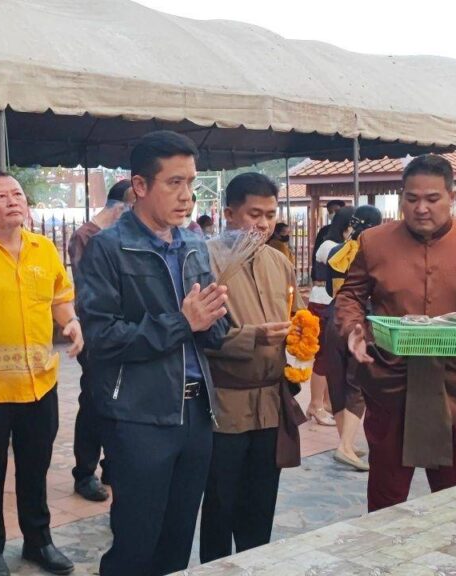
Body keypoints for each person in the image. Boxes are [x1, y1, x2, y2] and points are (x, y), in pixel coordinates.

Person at [77, 130, 229, 576]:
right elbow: (102, 338)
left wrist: (216, 318)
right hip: (139, 416)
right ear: (140, 186)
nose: (187, 196)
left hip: (196, 413)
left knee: (177, 541)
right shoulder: (109, 248)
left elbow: (214, 330)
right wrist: (183, 322)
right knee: (135, 544)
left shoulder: (194, 244)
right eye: (174, 183)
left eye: (191, 183)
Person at [335, 154, 456, 512]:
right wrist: (353, 329)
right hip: (390, 378)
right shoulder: (374, 242)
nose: (421, 208)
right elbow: (350, 296)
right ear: (401, 197)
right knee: (386, 498)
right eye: (411, 198)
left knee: (454, 497)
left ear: (451, 196)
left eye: (432, 199)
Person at [0, 171, 83, 576]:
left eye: (18, 194)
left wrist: (71, 322)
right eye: (2, 196)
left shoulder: (44, 248)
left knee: (35, 466)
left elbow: (60, 297)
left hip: (40, 381)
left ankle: (38, 541)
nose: (13, 201)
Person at [199, 173, 307, 563]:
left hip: (270, 404)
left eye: (270, 215)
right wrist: (251, 337)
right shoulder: (204, 260)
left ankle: (255, 564)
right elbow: (198, 334)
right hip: (225, 406)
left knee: (261, 500)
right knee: (220, 501)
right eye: (254, 214)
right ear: (229, 214)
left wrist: (302, 335)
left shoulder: (279, 262)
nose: (262, 224)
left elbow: (296, 315)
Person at [67, 179, 135, 502]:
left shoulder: (126, 235)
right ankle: (85, 472)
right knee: (94, 402)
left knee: (120, 400)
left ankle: (113, 466)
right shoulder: (87, 237)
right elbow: (91, 291)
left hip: (125, 332)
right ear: (122, 205)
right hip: (96, 334)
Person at [317, 205, 382, 472]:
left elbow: (328, 285)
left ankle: (345, 442)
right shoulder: (373, 255)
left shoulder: (336, 251)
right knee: (357, 382)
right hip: (359, 320)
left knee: (337, 380)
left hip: (333, 316)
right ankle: (345, 446)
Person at [306, 208, 355, 428]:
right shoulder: (329, 246)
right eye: (353, 226)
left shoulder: (343, 245)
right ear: (346, 226)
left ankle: (326, 403)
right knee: (323, 356)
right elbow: (343, 263)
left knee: (333, 358)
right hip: (322, 303)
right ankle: (315, 404)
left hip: (333, 303)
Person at [310, 199, 346, 281]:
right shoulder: (324, 231)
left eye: (336, 211)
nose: (333, 214)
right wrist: (314, 273)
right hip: (326, 271)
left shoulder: (348, 229)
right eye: (330, 212)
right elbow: (316, 252)